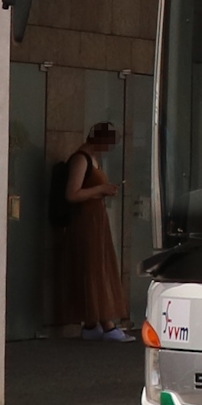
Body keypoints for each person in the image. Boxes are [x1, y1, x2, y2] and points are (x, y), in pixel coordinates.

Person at [56, 122, 131, 339]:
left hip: (96, 219)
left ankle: (92, 322)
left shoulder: (94, 159)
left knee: (97, 267)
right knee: (93, 267)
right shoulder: (81, 159)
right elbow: (72, 194)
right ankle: (105, 323)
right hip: (85, 220)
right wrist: (100, 188)